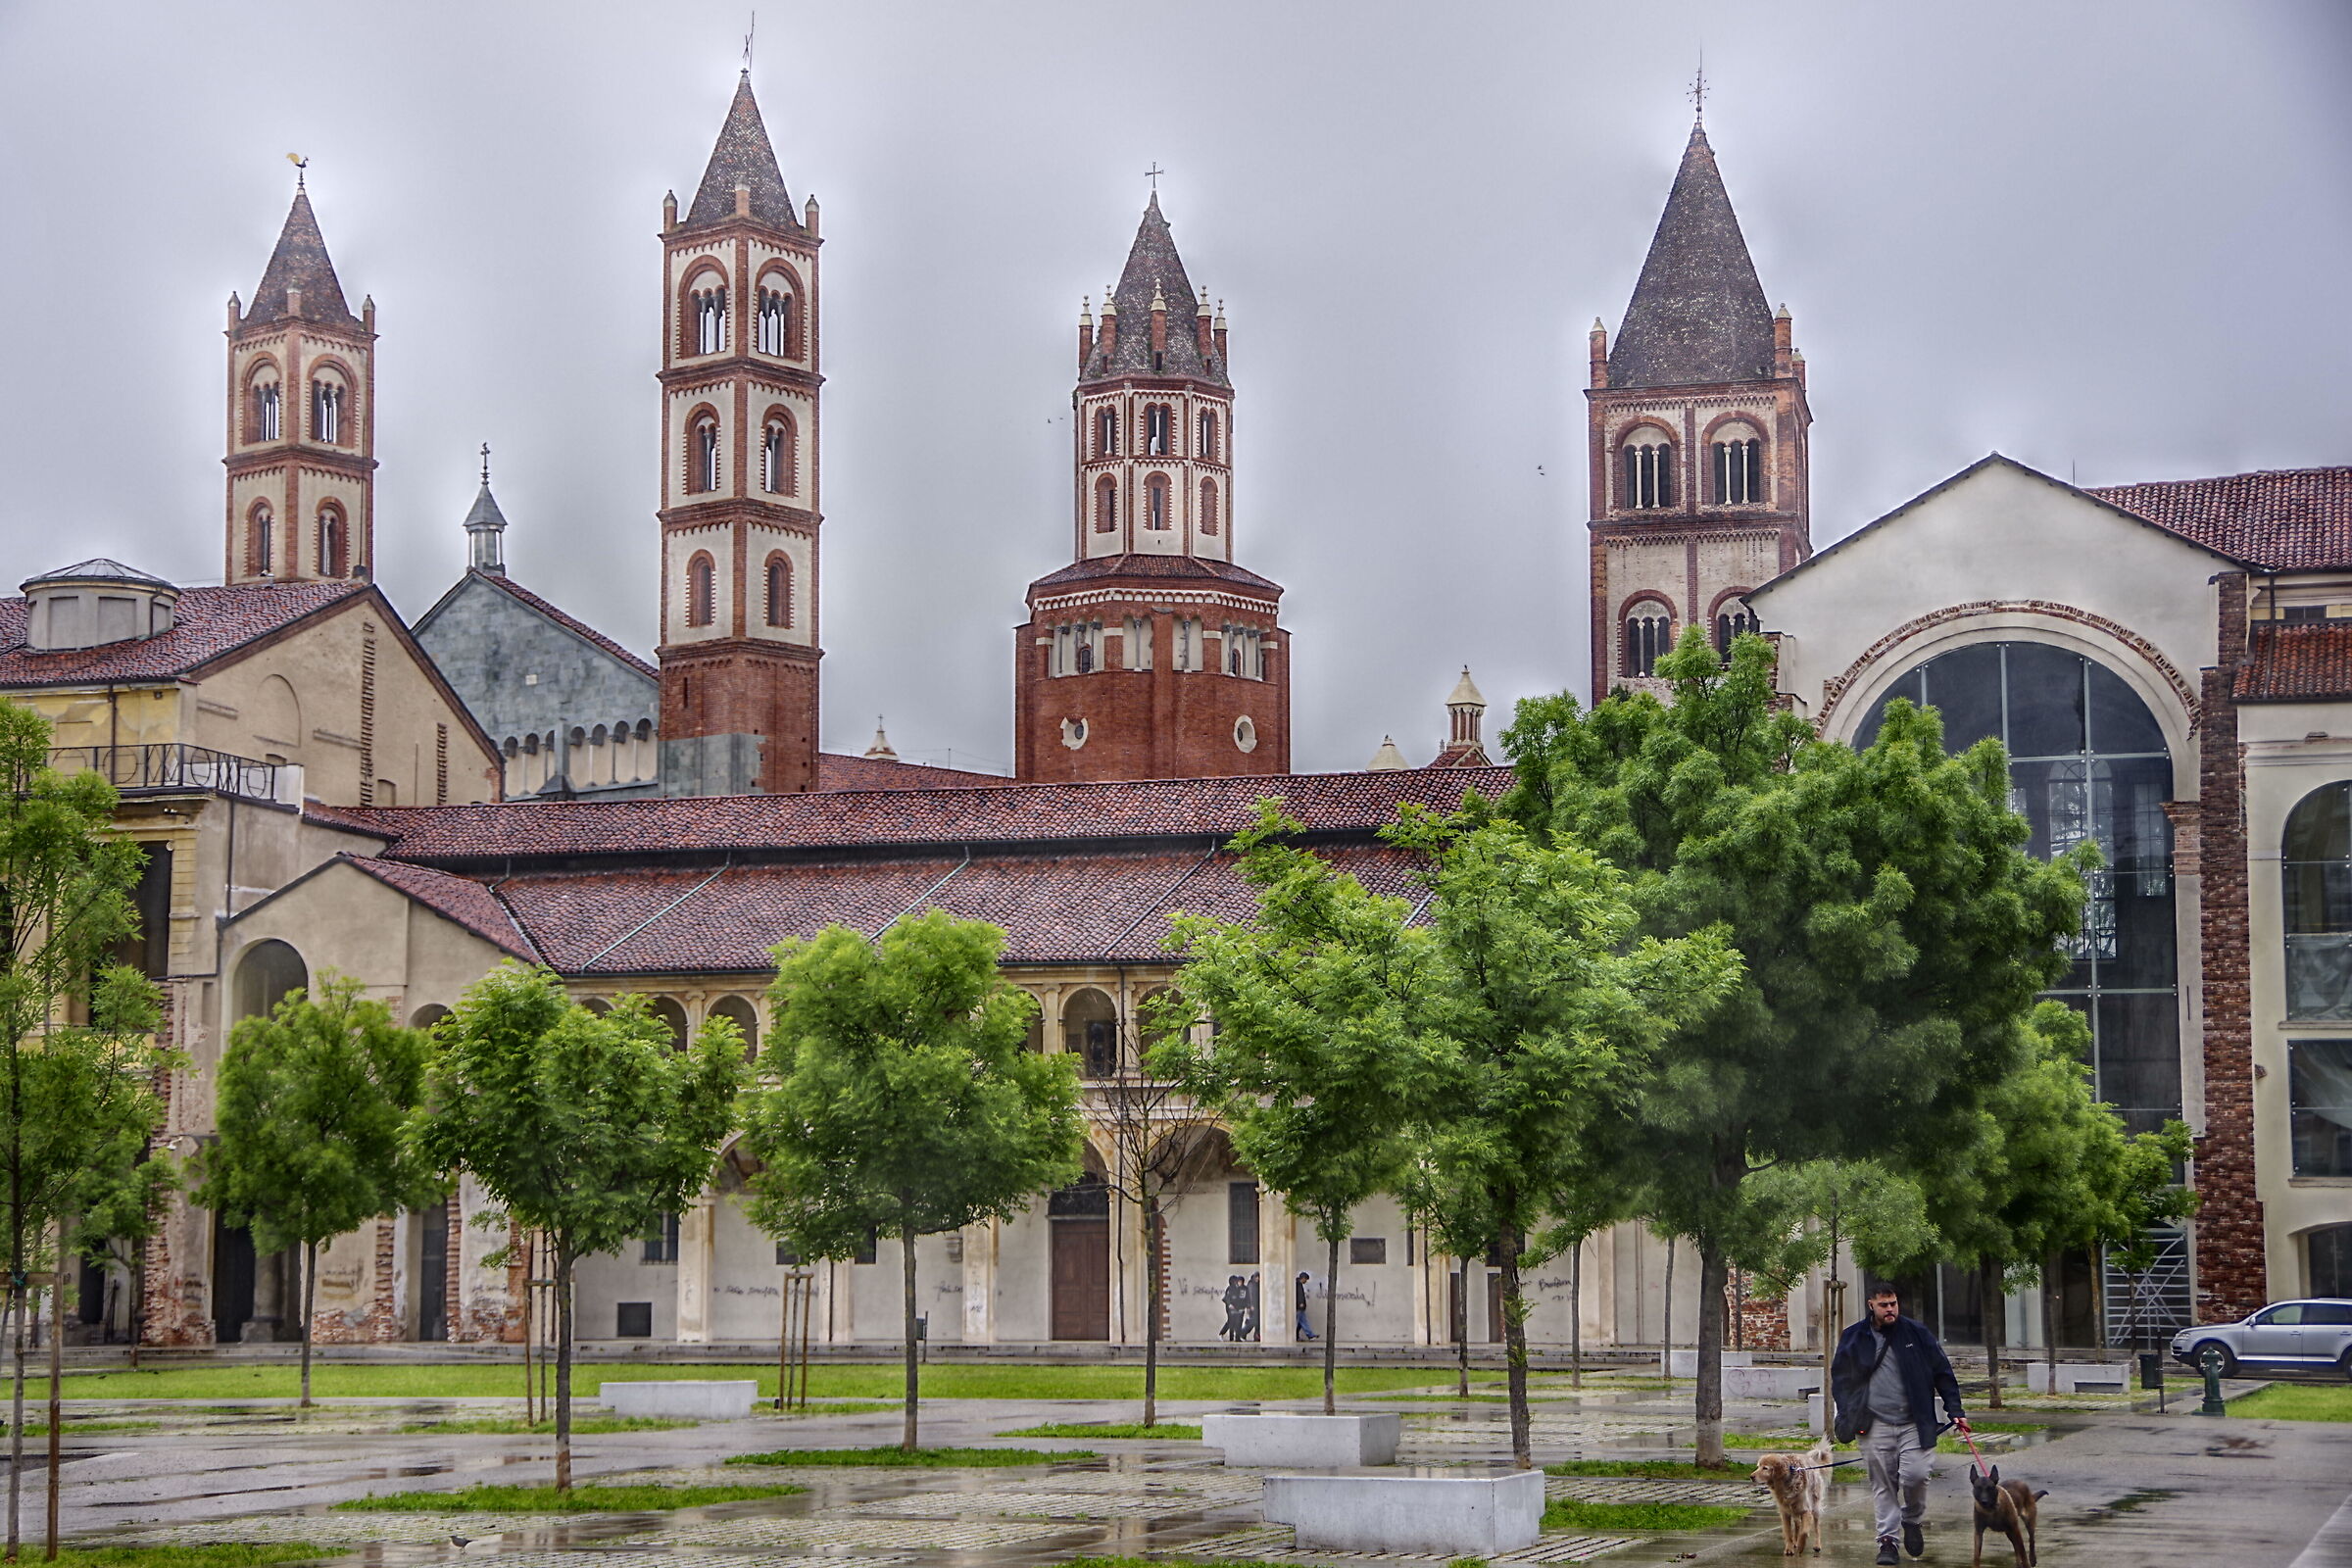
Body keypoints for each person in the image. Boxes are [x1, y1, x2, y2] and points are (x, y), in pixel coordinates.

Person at [1831, 1284, 1968, 1566]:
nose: (1890, 1309)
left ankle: (1912, 1520)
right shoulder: (1854, 1336)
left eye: (1893, 1303)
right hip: (1873, 1422)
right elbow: (1840, 1378)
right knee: (1884, 1484)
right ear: (1871, 1305)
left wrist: (1955, 1409)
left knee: (1916, 1475)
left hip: (1914, 1422)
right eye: (1884, 1305)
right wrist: (1847, 1412)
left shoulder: (1917, 1333)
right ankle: (1887, 1542)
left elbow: (1942, 1372)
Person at [1295, 1270, 1317, 1341]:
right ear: (1303, 1278)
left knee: (1299, 1324)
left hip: (1299, 1307)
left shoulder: (1297, 1284)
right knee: (1303, 1322)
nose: (1306, 1281)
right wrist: (1301, 1303)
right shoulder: (1298, 1284)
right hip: (1299, 1307)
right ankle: (1310, 1335)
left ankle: (1296, 1336)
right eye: (1306, 1279)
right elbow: (1300, 1295)